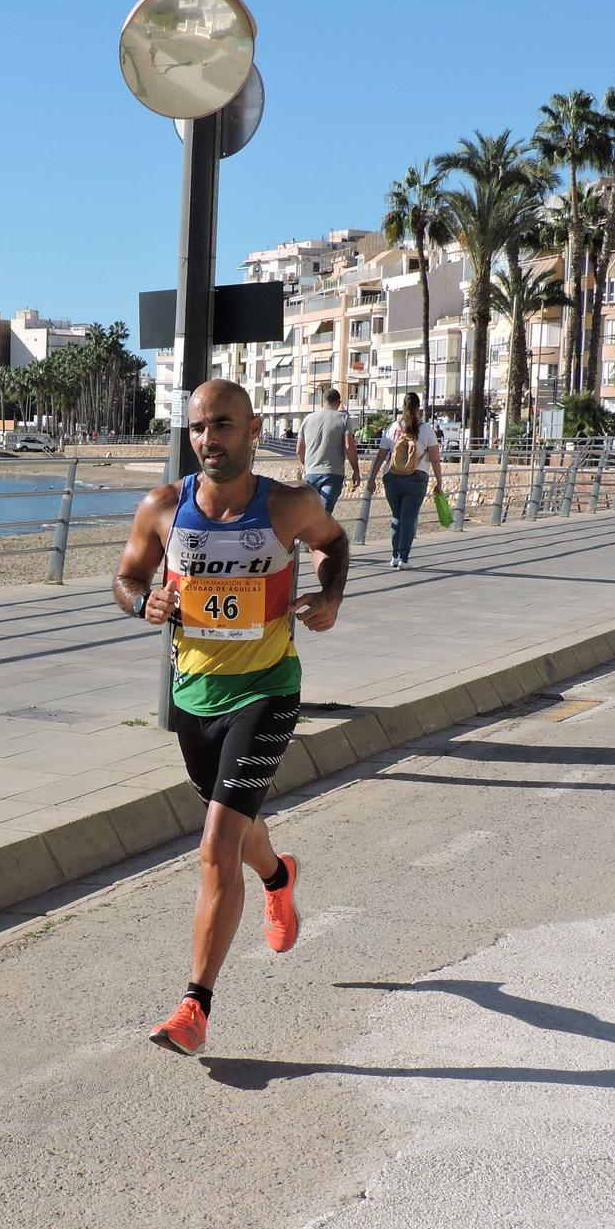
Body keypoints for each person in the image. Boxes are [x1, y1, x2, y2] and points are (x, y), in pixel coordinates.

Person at [114, 379, 350, 1056]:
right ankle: (279, 877)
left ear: (253, 432)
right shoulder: (164, 509)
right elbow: (126, 577)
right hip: (195, 700)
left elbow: (335, 546)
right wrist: (143, 605)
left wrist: (329, 597)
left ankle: (195, 1006)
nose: (208, 440)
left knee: (216, 845)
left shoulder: (289, 507)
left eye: (222, 426)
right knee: (237, 830)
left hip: (268, 691)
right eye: (197, 429)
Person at [364, 392, 445, 569]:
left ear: (403, 406)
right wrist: (439, 481)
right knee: (409, 518)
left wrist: (371, 478)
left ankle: (394, 556)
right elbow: (435, 458)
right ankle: (403, 558)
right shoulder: (426, 429)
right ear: (418, 407)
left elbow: (381, 456)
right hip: (417, 477)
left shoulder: (392, 428)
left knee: (397, 517)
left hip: (392, 477)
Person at [295, 387, 359, 511]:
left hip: (311, 472)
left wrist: (307, 463)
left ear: (322, 401)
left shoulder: (307, 419)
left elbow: (299, 449)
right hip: (333, 472)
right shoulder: (343, 418)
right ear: (339, 403)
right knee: (325, 514)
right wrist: (355, 470)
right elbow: (349, 446)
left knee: (309, 513)